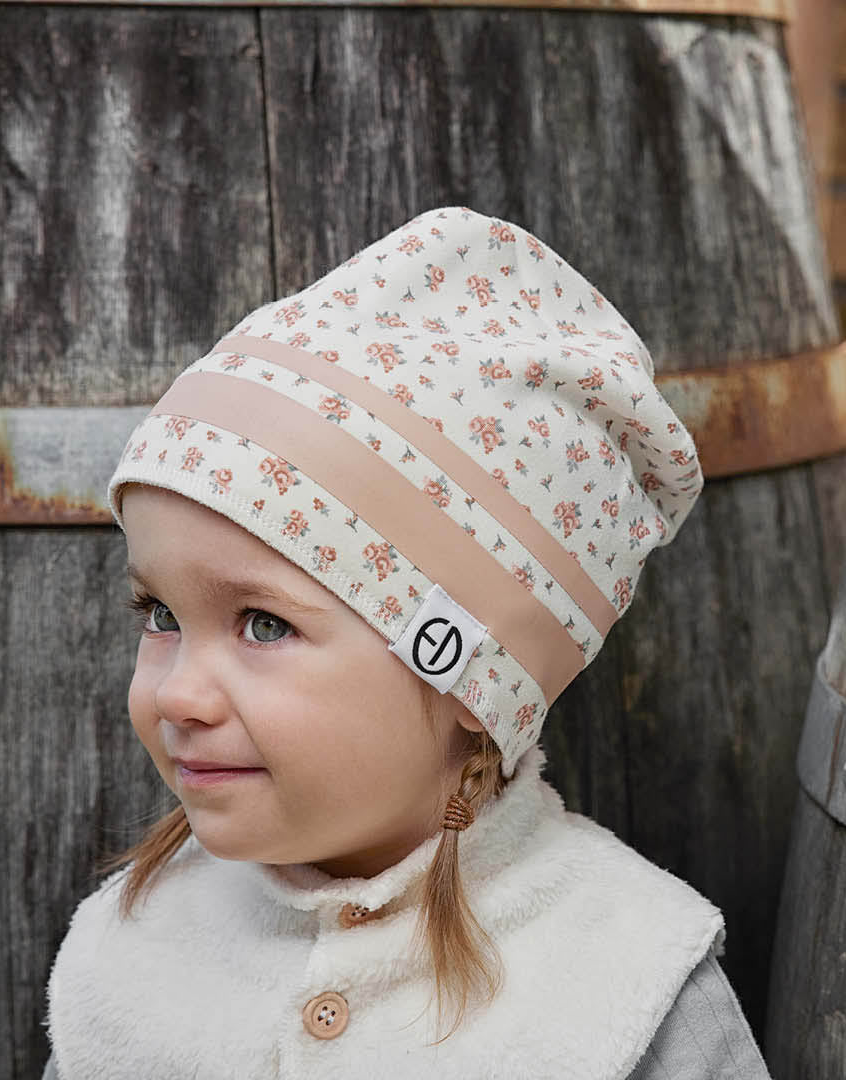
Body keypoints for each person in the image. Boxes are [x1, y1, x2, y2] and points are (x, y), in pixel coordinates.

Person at [44, 207, 770, 1079]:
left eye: (265, 625)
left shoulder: (629, 981)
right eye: (160, 614)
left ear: (470, 679)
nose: (175, 695)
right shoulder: (130, 945)